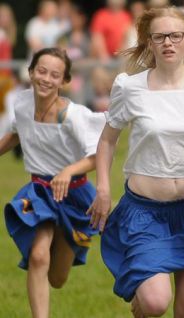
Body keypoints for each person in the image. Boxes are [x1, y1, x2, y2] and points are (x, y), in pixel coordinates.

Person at [87, 6, 184, 317]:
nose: (168, 42)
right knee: (156, 303)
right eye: (159, 37)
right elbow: (107, 140)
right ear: (149, 42)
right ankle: (141, 305)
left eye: (175, 35)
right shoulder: (130, 87)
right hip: (146, 213)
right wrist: (103, 187)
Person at [1, 48, 105, 318]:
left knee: (57, 279)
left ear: (64, 81)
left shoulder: (72, 115)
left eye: (55, 75)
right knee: (38, 256)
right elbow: (16, 134)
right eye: (42, 71)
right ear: (31, 72)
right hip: (40, 192)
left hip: (75, 196)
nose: (46, 79)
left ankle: (64, 233)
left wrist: (69, 170)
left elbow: (97, 155)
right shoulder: (23, 105)